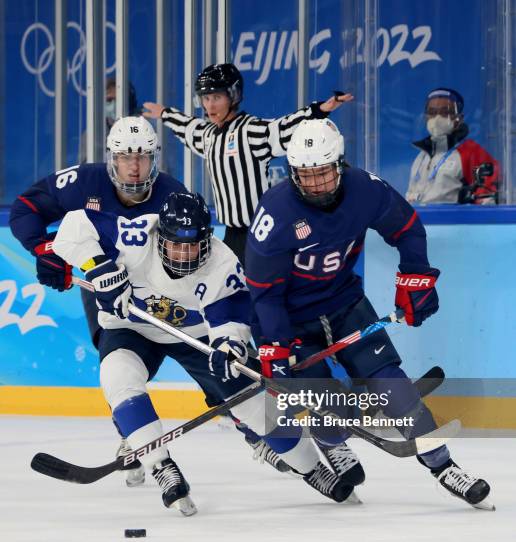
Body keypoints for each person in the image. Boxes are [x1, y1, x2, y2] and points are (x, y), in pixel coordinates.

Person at [52, 192, 359, 513]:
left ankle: (311, 467)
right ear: (160, 237)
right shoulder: (135, 236)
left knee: (252, 400)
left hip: (193, 335)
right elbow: (73, 227)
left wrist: (229, 346)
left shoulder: (222, 263)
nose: (185, 255)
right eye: (176, 245)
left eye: (193, 245)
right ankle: (161, 466)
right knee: (118, 376)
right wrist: (97, 265)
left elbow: (229, 317)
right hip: (131, 328)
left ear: (206, 240)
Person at [245, 118, 493, 510]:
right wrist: (275, 344)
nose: (315, 185)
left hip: (346, 304)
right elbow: (264, 293)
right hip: (291, 320)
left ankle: (444, 465)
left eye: (324, 173)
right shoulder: (274, 215)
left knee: (395, 388)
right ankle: (333, 442)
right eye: (305, 176)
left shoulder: (364, 189)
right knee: (330, 404)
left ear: (339, 165)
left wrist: (416, 277)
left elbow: (408, 228)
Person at [9, 116, 188, 486]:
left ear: (155, 158)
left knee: (214, 363)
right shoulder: (82, 183)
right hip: (103, 280)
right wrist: (47, 250)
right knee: (116, 364)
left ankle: (261, 435)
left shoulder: (174, 192)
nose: (134, 167)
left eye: (142, 158)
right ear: (112, 158)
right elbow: (26, 206)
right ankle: (132, 431)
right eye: (126, 157)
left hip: (162, 291)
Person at [143, 63, 353, 264]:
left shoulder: (250, 131)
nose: (210, 105)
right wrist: (165, 113)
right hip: (230, 235)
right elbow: (188, 128)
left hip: (261, 231)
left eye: (217, 97)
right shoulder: (209, 135)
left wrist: (318, 110)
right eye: (206, 98)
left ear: (233, 96)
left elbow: (283, 128)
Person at [406, 87, 499, 204]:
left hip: (453, 221)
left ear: (459, 118)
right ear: (425, 117)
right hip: (419, 220)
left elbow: (488, 199)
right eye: (432, 112)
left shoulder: (471, 152)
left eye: (445, 112)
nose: (437, 118)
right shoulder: (421, 157)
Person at [79, 77, 140, 163]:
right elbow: (85, 170)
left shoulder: (145, 130)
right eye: (109, 100)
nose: (114, 105)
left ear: (130, 102)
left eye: (119, 100)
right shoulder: (91, 135)